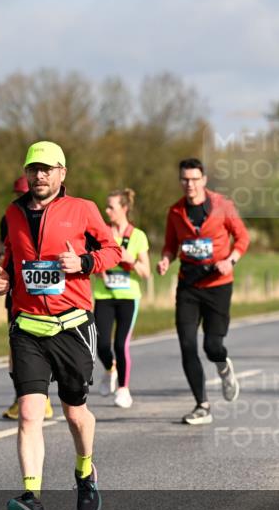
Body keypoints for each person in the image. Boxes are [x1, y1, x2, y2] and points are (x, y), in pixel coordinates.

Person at [0, 141, 121, 510]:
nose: (39, 175)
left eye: (47, 168)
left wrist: (82, 261)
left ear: (62, 173)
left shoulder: (83, 209)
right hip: (28, 327)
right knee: (30, 413)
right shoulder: (13, 213)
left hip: (72, 326)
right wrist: (5, 280)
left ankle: (85, 470)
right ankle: (32, 495)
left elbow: (113, 250)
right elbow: (12, 259)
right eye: (33, 169)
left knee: (75, 413)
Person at [156, 158, 249, 424]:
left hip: (218, 285)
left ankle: (223, 365)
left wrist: (229, 261)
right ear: (180, 181)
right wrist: (165, 259)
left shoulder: (222, 205)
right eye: (185, 179)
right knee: (187, 345)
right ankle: (202, 405)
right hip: (188, 286)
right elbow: (170, 245)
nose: (190, 184)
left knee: (212, 345)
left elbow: (243, 237)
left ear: (204, 180)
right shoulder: (175, 212)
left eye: (195, 179)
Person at [0, 177, 54, 421]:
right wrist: (4, 274)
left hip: (52, 296)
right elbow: (6, 252)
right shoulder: (10, 215)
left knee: (47, 345)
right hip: (19, 294)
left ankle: (45, 398)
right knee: (18, 347)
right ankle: (27, 396)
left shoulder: (55, 216)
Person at [92, 188, 150, 408]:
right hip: (104, 295)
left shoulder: (137, 236)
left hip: (128, 297)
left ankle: (124, 389)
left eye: (111, 207)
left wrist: (130, 261)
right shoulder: (102, 233)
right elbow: (94, 261)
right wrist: (101, 271)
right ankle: (109, 370)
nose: (107, 211)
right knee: (102, 343)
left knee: (120, 343)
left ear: (124, 208)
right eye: (106, 206)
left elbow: (146, 272)